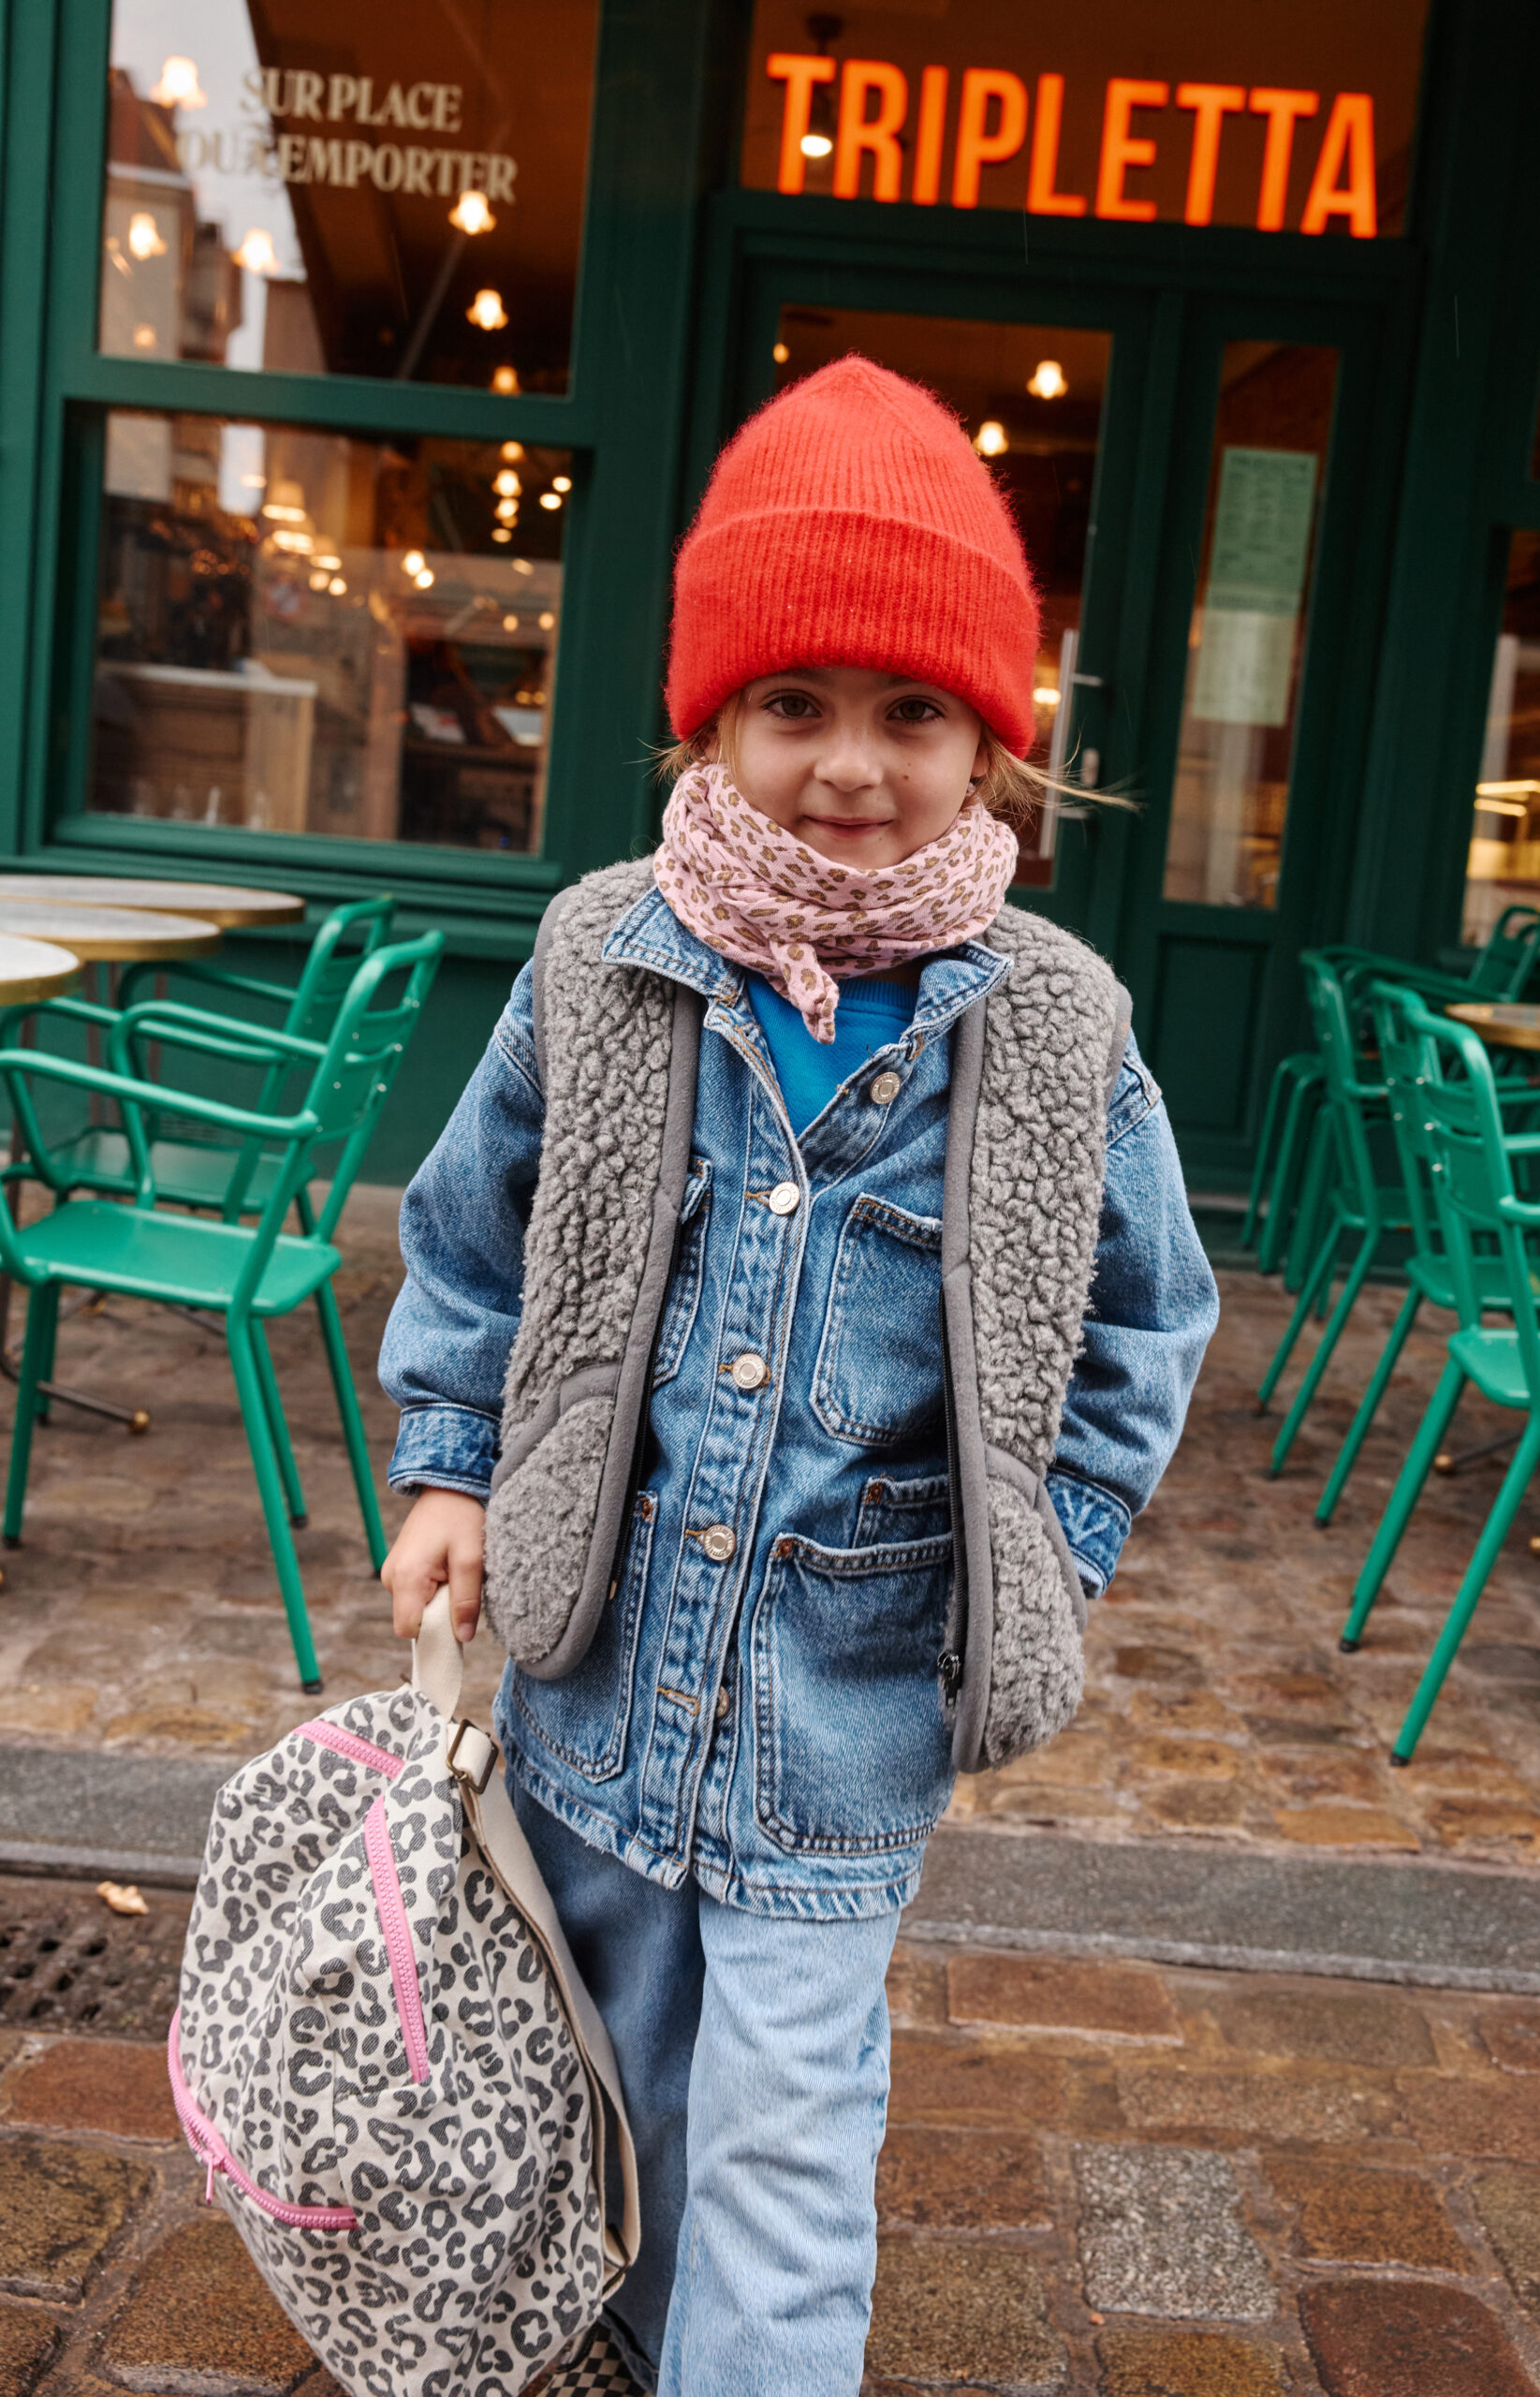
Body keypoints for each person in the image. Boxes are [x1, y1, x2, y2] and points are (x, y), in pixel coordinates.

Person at [378, 357, 1218, 2396]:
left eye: (911, 711)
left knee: (782, 2135)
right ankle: (632, 2335)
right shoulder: (603, 960)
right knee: (609, 2074)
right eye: (794, 704)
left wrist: (1047, 1551)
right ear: (711, 722)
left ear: (990, 740)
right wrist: (454, 1465)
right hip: (592, 1670)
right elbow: (477, 1234)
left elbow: (1146, 1320)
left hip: (847, 1708)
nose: (850, 762)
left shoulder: (1050, 1027)